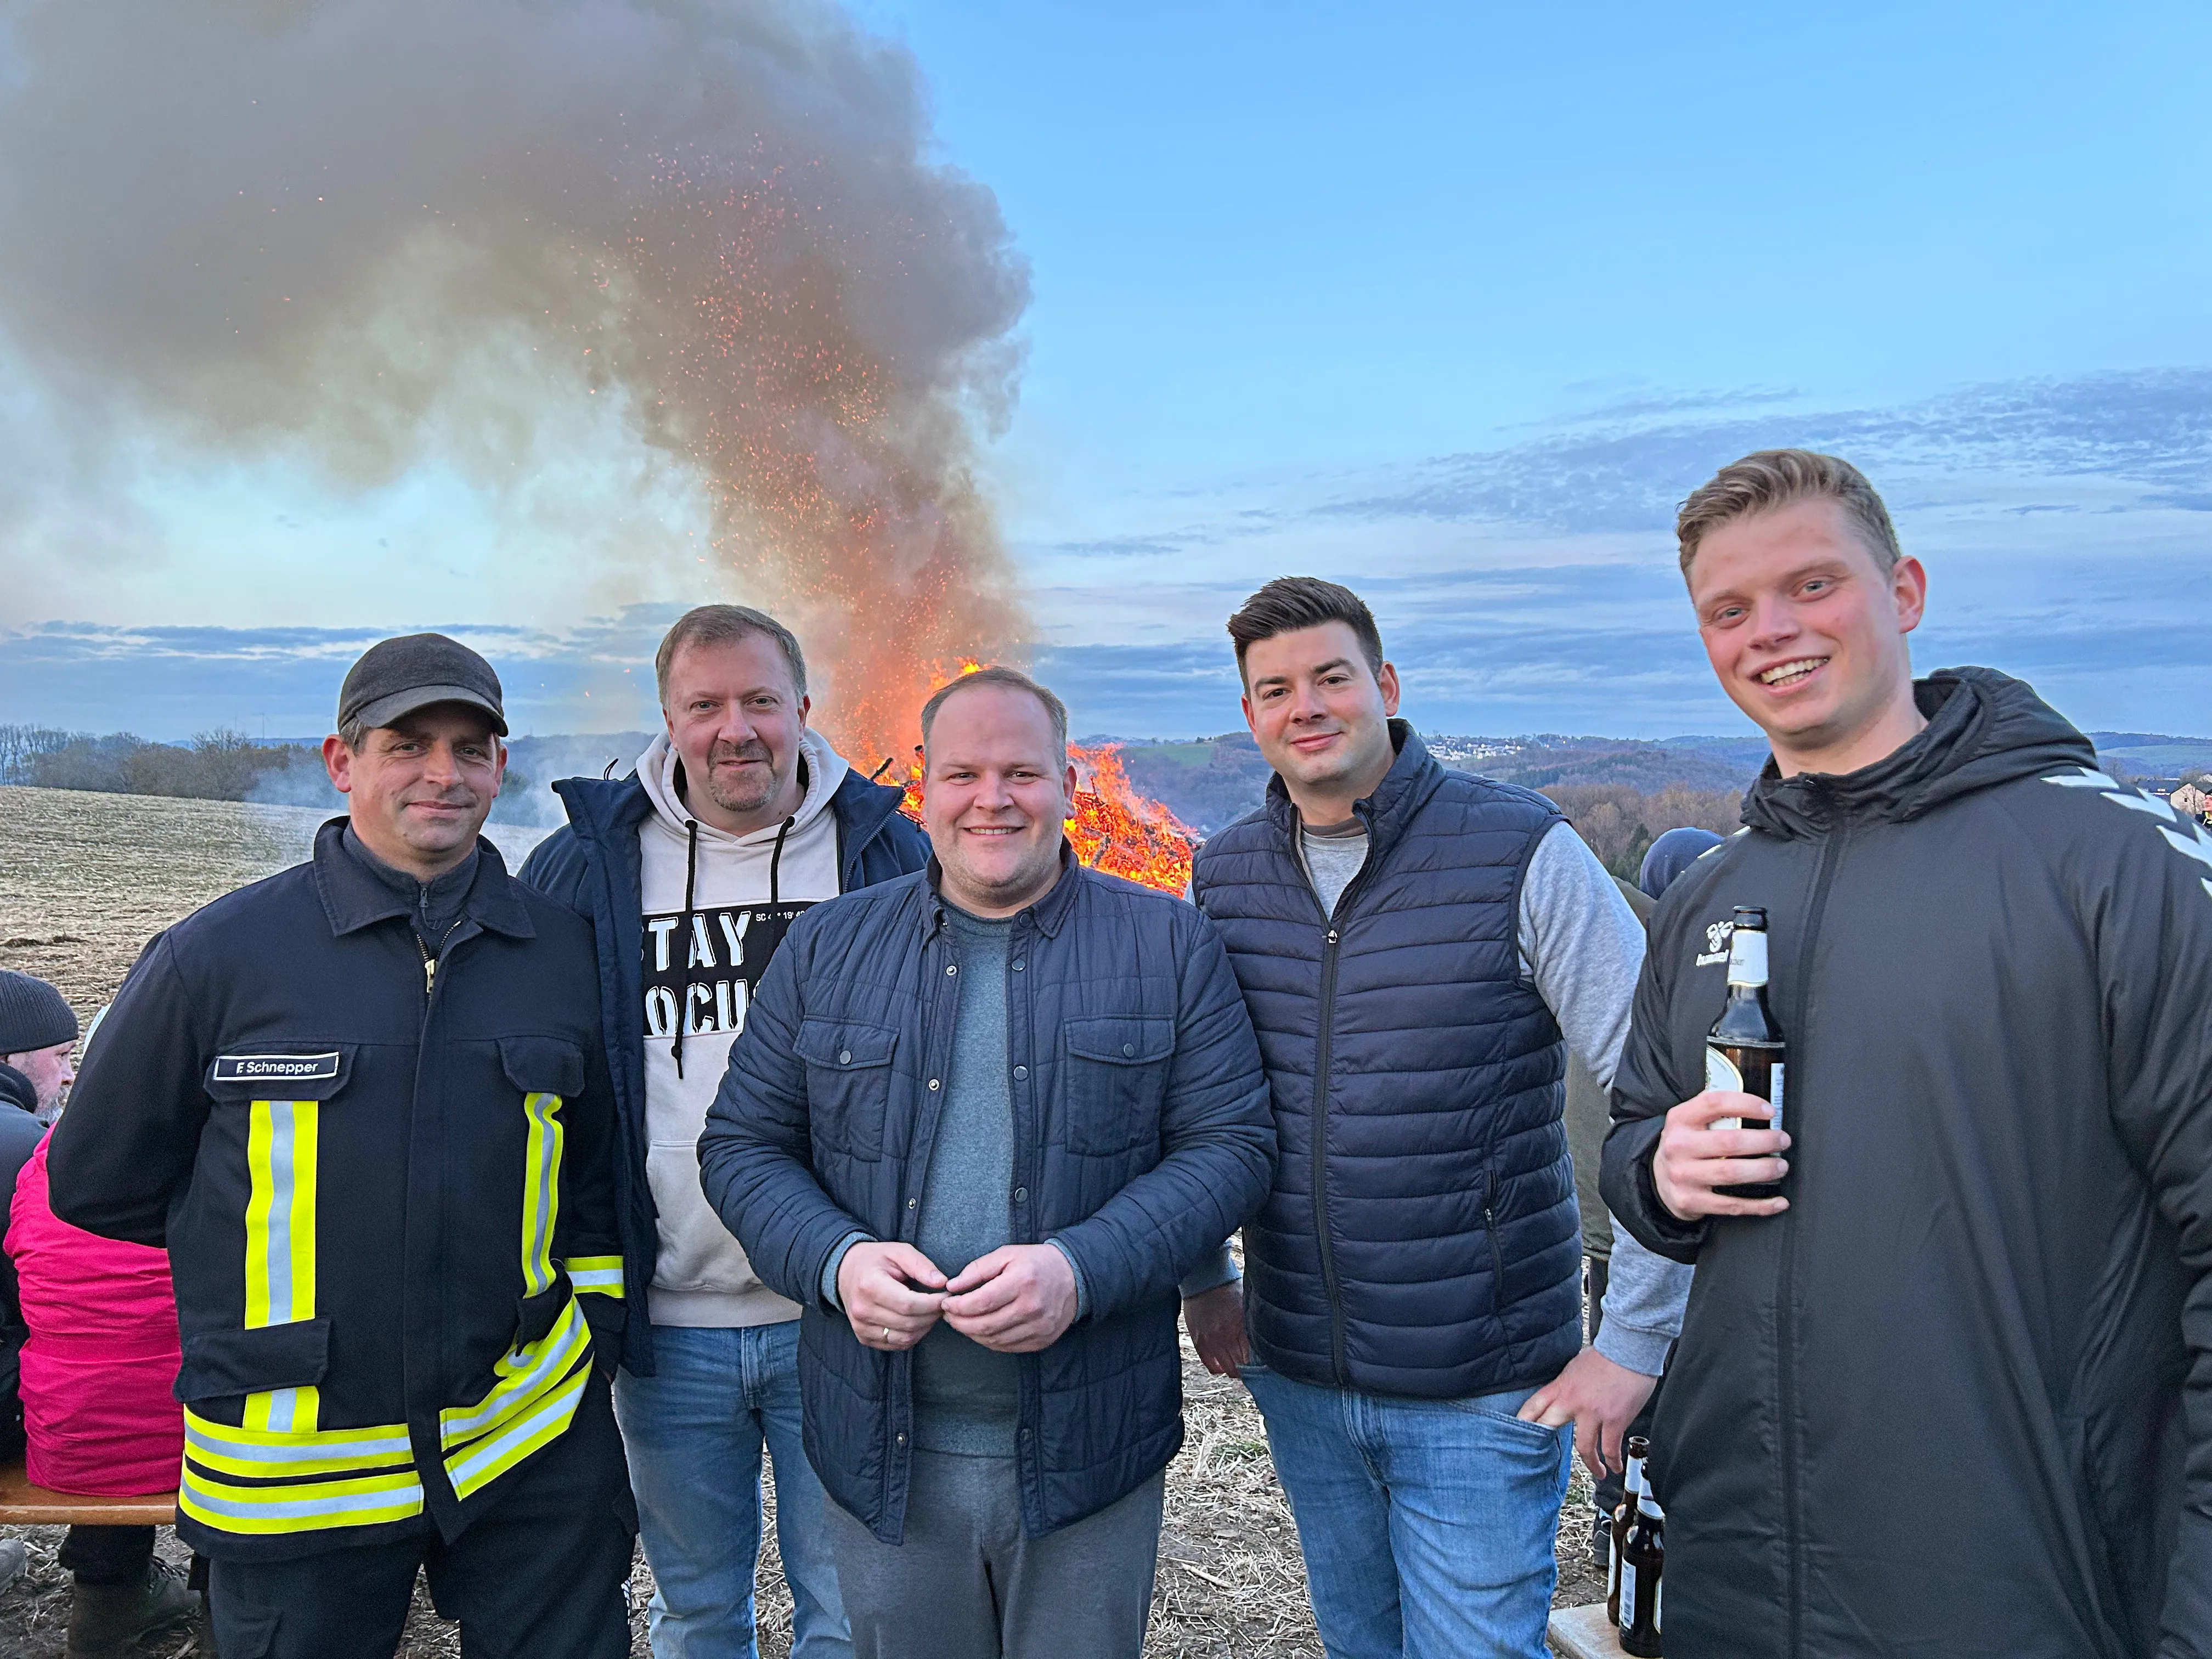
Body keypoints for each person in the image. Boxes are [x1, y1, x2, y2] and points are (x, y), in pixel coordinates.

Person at [1602, 448, 2212, 1658]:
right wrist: (1658, 1175)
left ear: (1907, 591)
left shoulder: (2116, 867)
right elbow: (1632, 1140)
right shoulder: (1711, 893)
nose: (1770, 631)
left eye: (1812, 585)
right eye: (1728, 610)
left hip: (2024, 1591)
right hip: (1739, 1586)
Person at [48, 633, 634, 1659]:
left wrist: (593, 1331)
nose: (443, 773)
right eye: (408, 743)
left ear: (502, 766)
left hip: (526, 1448)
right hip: (291, 1476)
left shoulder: (565, 955)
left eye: (470, 747)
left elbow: (594, 1182)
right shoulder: (217, 957)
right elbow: (99, 1181)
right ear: (341, 759)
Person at [697, 665, 1276, 1659]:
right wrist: (837, 1261)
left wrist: (1082, 1267)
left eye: (1022, 771)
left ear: (1067, 782)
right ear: (926, 782)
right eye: (964, 771)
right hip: (884, 1452)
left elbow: (1230, 1149)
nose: (992, 798)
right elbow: (742, 1145)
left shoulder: (1167, 942)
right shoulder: (827, 946)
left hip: (1090, 1450)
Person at [1186, 577, 1688, 1659]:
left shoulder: (1520, 850)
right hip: (1302, 1374)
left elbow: (1665, 1095)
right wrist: (1205, 1278)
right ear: (1249, 715)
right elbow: (1195, 1103)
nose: (1306, 706)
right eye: (1276, 688)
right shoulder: (1222, 875)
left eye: (1332, 676)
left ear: (1387, 685)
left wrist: (1637, 1339)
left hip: (1482, 1385)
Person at [522, 603, 928, 1659]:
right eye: (705, 705)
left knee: (850, 1609)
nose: (734, 728)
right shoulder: (589, 865)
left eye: (758, 700)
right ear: (668, 718)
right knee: (698, 1606)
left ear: (804, 707)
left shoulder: (884, 852)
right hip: (664, 1318)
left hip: (838, 1308)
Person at [10, 1129, 199, 1656]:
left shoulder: (40, 1171)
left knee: (106, 1379)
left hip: (67, 1441)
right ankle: (222, 1603)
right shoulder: (218, 1156)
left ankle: (105, 1604)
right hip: (193, 1441)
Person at [0, 968, 76, 1598]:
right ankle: (116, 1589)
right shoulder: (34, 1152)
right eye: (60, 1057)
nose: (69, 1075)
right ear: (10, 1058)